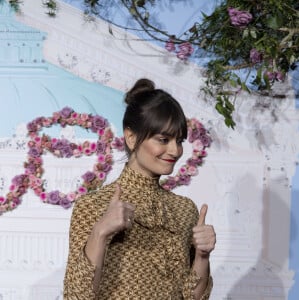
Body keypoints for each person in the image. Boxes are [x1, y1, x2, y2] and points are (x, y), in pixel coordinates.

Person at [63, 78, 216, 299]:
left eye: (180, 140)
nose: (175, 150)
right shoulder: (93, 206)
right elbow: (76, 296)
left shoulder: (184, 210)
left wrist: (202, 257)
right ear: (131, 138)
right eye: (163, 139)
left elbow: (192, 297)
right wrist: (100, 233)